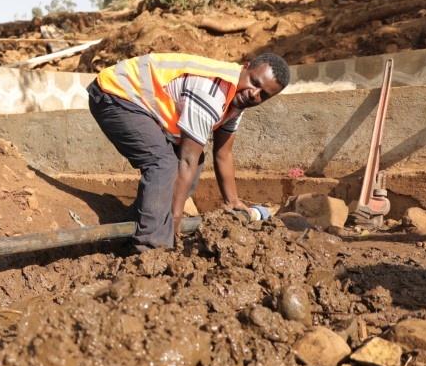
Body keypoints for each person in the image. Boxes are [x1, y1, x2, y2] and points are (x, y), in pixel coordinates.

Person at [88, 52, 291, 252]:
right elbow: (185, 160)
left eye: (263, 95)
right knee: (163, 162)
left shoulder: (236, 101)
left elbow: (223, 152)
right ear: (245, 67)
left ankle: (135, 230)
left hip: (136, 102)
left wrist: (232, 201)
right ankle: (151, 250)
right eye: (254, 82)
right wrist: (176, 216)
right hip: (115, 93)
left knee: (195, 158)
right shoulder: (213, 91)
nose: (254, 94)